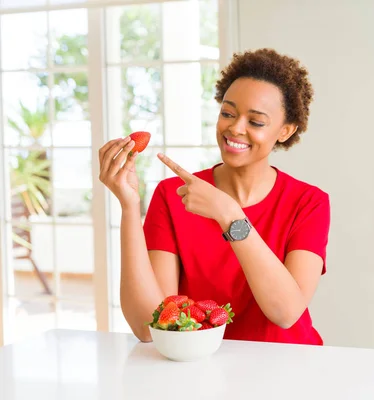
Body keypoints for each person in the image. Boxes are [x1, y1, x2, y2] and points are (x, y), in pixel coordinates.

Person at [98, 48, 330, 345]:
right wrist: (129, 207)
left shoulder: (309, 202)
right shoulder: (173, 195)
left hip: (288, 368)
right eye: (228, 113)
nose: (235, 128)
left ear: (285, 131)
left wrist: (229, 214)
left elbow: (286, 313)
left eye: (256, 121)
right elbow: (148, 326)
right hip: (202, 368)